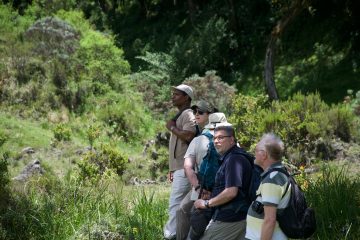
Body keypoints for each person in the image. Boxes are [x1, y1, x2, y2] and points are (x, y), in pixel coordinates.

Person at [193, 125, 253, 240]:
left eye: (220, 138)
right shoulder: (230, 157)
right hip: (236, 216)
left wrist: (206, 204)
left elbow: (231, 192)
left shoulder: (234, 159)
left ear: (231, 140)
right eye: (214, 138)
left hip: (230, 218)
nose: (216, 141)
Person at [176, 110, 229, 240]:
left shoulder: (198, 140)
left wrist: (198, 187)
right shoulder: (231, 141)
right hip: (224, 191)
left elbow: (188, 166)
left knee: (182, 210)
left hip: (201, 189)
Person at [164, 84, 197, 240]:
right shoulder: (180, 115)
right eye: (173, 94)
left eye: (177, 94)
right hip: (180, 168)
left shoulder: (188, 114)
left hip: (185, 168)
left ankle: (170, 235)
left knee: (175, 203)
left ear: (186, 98)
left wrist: (172, 128)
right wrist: (172, 169)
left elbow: (189, 135)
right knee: (182, 205)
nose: (173, 96)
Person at [245, 133, 290, 240]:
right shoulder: (279, 173)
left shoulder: (272, 180)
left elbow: (270, 220)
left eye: (256, 150)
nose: (253, 154)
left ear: (264, 155)